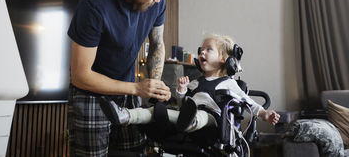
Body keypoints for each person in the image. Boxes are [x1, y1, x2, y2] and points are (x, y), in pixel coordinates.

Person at [67, 0, 182, 156]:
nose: (158, 1)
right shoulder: (94, 5)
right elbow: (80, 76)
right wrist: (137, 88)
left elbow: (157, 43)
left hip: (129, 91)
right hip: (91, 95)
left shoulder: (158, 3)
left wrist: (153, 87)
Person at [99, 34, 280, 133]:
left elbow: (249, 103)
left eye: (209, 50)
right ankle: (125, 116)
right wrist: (181, 90)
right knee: (156, 111)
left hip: (212, 120)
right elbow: (180, 102)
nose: (202, 53)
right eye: (201, 50)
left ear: (225, 59)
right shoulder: (196, 82)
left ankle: (190, 121)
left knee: (200, 117)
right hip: (186, 114)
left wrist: (265, 114)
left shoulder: (229, 84)